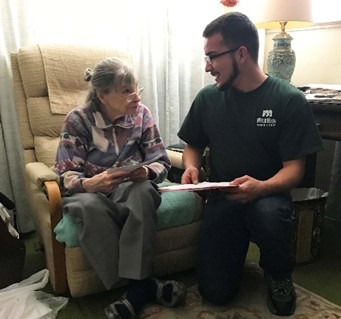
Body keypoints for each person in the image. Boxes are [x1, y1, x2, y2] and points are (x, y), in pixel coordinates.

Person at [178, 12, 323, 316]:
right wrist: (190, 166)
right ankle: (233, 256)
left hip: (269, 197)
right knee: (216, 293)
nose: (207, 67)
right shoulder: (208, 99)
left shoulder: (289, 100)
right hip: (224, 196)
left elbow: (295, 169)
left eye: (212, 57)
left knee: (268, 216)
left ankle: (278, 272)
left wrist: (261, 188)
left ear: (241, 54)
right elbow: (193, 146)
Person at [53, 57, 186, 319]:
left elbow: (160, 160)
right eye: (127, 91)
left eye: (137, 88)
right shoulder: (78, 120)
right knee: (90, 206)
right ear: (103, 94)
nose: (136, 97)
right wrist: (90, 183)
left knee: (143, 191)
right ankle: (141, 286)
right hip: (89, 191)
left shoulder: (142, 115)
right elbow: (65, 172)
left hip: (128, 186)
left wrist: (145, 171)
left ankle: (135, 292)